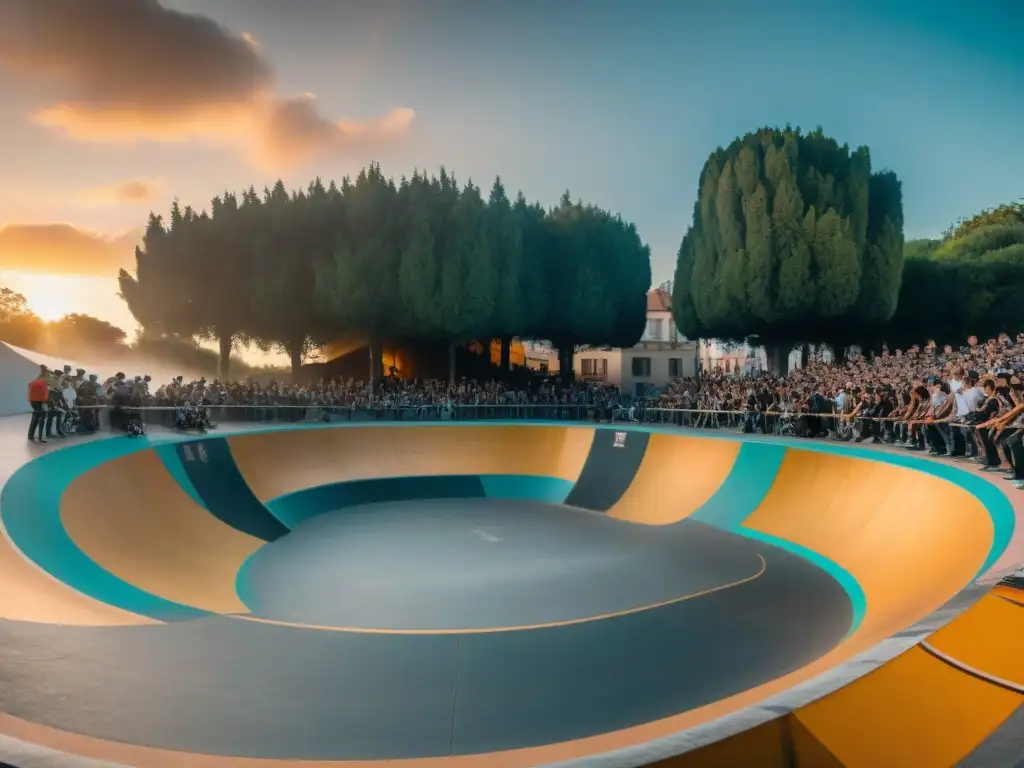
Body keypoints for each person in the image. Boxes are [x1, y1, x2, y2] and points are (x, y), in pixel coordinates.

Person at [27, 367, 50, 443]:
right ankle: (40, 437)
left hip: (33, 402)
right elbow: (45, 394)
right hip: (39, 402)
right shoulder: (43, 383)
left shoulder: (34, 382)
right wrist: (44, 403)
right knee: (42, 418)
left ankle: (30, 435)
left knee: (35, 417)